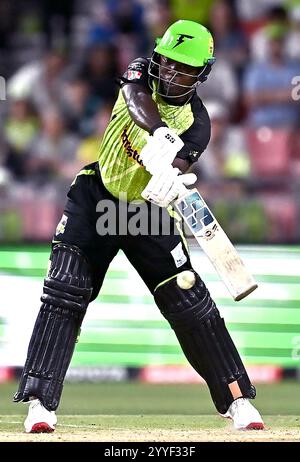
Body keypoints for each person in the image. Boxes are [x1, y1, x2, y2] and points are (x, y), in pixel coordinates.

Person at [14, 20, 264, 433]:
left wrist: (172, 179)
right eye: (166, 63)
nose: (168, 74)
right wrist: (161, 133)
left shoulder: (197, 124)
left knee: (190, 303)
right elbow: (134, 99)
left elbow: (181, 162)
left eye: (182, 69)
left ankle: (237, 402)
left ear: (202, 74)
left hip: (146, 210)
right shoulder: (138, 72)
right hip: (97, 195)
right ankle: (40, 403)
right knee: (65, 291)